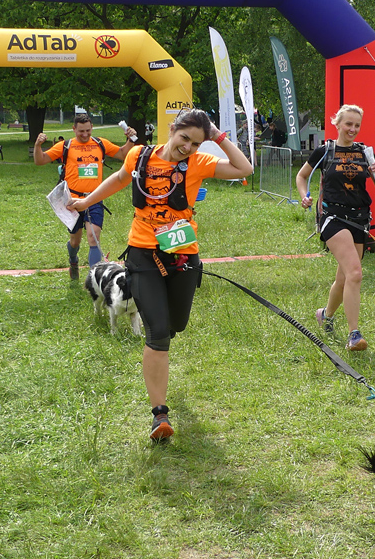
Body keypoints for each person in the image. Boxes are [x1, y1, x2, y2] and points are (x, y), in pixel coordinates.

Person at [69, 109, 252, 441]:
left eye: (196, 143)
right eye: (184, 138)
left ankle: (163, 337)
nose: (187, 147)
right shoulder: (139, 156)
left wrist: (217, 136)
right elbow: (119, 179)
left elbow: (244, 169)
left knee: (175, 324)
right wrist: (86, 202)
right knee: (157, 334)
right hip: (142, 254)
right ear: (172, 129)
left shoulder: (198, 163)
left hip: (182, 255)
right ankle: (160, 416)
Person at [295, 104, 375, 350]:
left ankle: (325, 315)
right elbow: (301, 176)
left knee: (345, 278)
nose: (353, 129)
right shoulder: (325, 151)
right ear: (337, 123)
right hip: (333, 217)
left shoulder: (364, 152)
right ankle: (354, 335)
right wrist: (304, 196)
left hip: (359, 219)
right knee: (355, 273)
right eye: (348, 124)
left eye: (357, 125)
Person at [34, 114, 136, 279]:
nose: (85, 134)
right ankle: (73, 260)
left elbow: (123, 154)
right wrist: (38, 145)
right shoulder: (66, 146)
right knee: (75, 241)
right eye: (81, 131)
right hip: (72, 201)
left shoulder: (100, 143)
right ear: (74, 129)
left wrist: (130, 140)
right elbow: (41, 160)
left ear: (92, 128)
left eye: (88, 130)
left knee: (93, 238)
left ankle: (93, 280)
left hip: (94, 198)